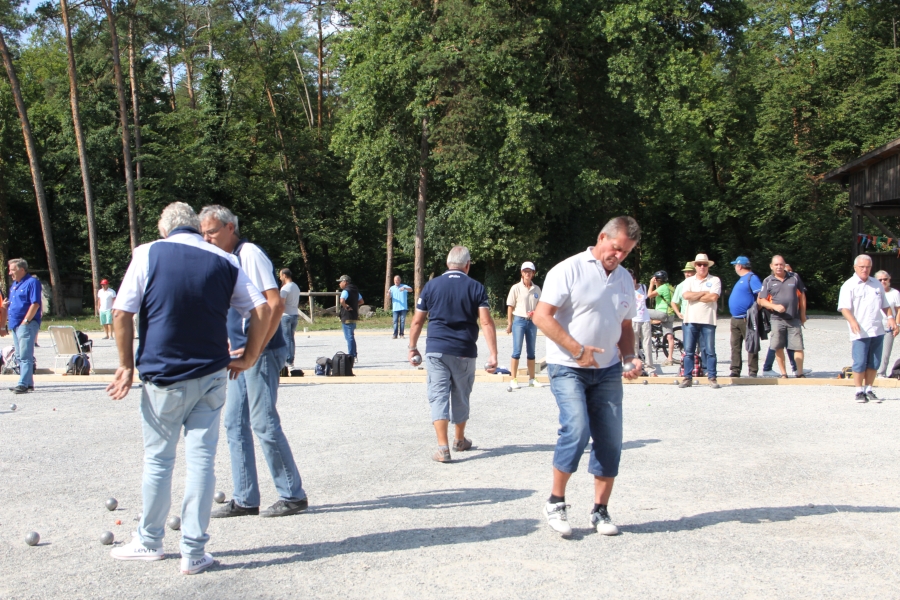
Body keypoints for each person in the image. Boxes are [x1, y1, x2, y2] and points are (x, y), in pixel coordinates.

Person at [105, 202, 269, 575]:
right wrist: (249, 357)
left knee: (160, 459)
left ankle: (149, 540)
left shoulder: (148, 253)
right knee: (201, 460)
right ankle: (194, 550)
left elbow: (121, 312)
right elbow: (260, 309)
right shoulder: (226, 260)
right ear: (197, 227)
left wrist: (125, 365)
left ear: (165, 230)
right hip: (212, 374)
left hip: (164, 373)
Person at [533, 216, 643, 538]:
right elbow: (541, 316)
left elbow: (625, 327)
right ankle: (555, 502)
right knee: (577, 428)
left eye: (626, 252)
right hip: (568, 367)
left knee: (610, 440)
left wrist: (630, 356)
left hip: (607, 369)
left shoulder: (624, 279)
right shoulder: (568, 269)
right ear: (602, 237)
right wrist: (577, 350)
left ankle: (600, 510)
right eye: (616, 248)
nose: (619, 256)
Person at [199, 205, 309, 519]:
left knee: (262, 421)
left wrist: (256, 347)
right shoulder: (225, 259)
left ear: (230, 227)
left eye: (212, 231)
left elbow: (275, 302)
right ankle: (245, 498)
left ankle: (292, 495)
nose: (206, 238)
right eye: (203, 232)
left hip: (259, 353)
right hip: (241, 356)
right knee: (234, 422)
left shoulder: (249, 254)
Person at [407, 246, 499, 463]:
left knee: (438, 395)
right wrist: (493, 354)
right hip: (464, 350)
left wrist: (412, 347)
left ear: (448, 264)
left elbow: (418, 320)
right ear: (467, 265)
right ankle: (459, 440)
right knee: (461, 394)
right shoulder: (476, 287)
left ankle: (443, 448)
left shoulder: (431, 286)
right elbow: (485, 321)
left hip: (436, 350)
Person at [838, 254, 896, 403]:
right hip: (860, 330)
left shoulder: (876, 284)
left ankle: (869, 388)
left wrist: (891, 318)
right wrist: (852, 321)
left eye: (868, 267)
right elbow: (844, 308)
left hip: (877, 328)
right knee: (860, 361)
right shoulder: (849, 285)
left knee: (874, 362)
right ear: (855, 267)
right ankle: (858, 391)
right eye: (862, 267)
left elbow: (884, 305)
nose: (865, 270)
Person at [758, 255, 807, 379]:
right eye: (776, 265)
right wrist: (774, 306)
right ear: (771, 266)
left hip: (794, 318)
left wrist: (802, 314)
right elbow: (761, 301)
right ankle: (783, 373)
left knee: (798, 346)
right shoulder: (768, 280)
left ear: (784, 265)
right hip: (776, 319)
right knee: (778, 346)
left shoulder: (794, 277)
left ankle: (799, 372)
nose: (779, 267)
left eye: (781, 264)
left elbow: (802, 296)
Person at [679, 254, 721, 389]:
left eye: (704, 264)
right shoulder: (689, 280)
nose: (702, 267)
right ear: (695, 266)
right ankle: (687, 377)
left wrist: (695, 296)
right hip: (690, 319)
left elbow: (713, 297)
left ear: (708, 266)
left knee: (709, 350)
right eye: (699, 264)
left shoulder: (715, 280)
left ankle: (712, 376)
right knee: (688, 351)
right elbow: (686, 296)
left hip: (708, 319)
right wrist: (704, 293)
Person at [5, 259, 41, 394]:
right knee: (20, 355)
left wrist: (26, 320)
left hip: (26, 324)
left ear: (22, 270)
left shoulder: (32, 282)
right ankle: (29, 382)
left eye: (12, 270)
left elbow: (35, 303)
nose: (10, 273)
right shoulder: (15, 284)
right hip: (15, 324)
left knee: (25, 355)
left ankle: (22, 384)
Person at [506, 261, 543, 390]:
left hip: (532, 321)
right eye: (525, 271)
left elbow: (541, 306)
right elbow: (510, 306)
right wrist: (510, 323)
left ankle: (532, 379)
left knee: (531, 351)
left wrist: (537, 314)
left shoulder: (537, 289)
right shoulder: (516, 288)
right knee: (516, 351)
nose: (527, 273)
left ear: (533, 273)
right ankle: (513, 379)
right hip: (519, 320)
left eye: (530, 271)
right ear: (522, 273)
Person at [727, 256, 762, 378]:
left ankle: (753, 371)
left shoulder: (751, 278)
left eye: (735, 265)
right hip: (735, 318)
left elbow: (761, 296)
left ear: (739, 266)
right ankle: (735, 370)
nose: (735, 268)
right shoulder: (742, 279)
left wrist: (754, 311)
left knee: (751, 343)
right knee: (735, 345)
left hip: (746, 318)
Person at [647, 270, 676, 364]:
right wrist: (656, 284)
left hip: (662, 313)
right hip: (670, 314)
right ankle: (670, 358)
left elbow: (650, 295)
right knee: (669, 336)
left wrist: (651, 284)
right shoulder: (670, 287)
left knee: (642, 312)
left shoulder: (662, 288)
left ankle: (649, 330)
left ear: (657, 279)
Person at [629, 269, 654, 374]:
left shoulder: (643, 287)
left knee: (647, 343)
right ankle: (635, 367)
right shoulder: (625, 290)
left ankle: (650, 367)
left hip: (645, 318)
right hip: (633, 319)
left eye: (633, 278)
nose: (632, 280)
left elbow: (649, 295)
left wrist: (652, 283)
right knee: (634, 344)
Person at [876, 270, 900, 377]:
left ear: (889, 279)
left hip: (889, 325)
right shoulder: (874, 291)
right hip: (875, 325)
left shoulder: (895, 293)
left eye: (885, 279)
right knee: (874, 350)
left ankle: (881, 372)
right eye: (880, 280)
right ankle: (871, 372)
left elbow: (898, 310)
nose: (883, 281)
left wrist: (897, 325)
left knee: (886, 352)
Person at [279, 269, 301, 368]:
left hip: (286, 315)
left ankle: (287, 360)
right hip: (294, 314)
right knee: (291, 338)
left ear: (284, 275)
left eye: (280, 276)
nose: (280, 278)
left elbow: (281, 304)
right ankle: (291, 360)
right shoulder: (296, 286)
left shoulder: (285, 288)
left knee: (286, 338)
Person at [338, 275, 363, 360]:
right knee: (351, 336)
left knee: (349, 337)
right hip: (354, 316)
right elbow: (361, 301)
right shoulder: (355, 290)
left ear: (345, 282)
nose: (339, 284)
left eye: (340, 282)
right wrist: (354, 304)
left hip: (347, 316)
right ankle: (354, 354)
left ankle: (351, 356)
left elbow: (341, 300)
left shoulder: (346, 290)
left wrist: (346, 306)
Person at [388, 275, 413, 339]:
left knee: (402, 321)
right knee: (395, 321)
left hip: (403, 307)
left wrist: (405, 288)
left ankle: (401, 334)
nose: (396, 281)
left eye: (397, 280)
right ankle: (395, 334)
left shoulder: (403, 286)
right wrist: (388, 294)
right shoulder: (392, 288)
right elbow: (389, 297)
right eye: (395, 280)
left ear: (400, 280)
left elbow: (411, 290)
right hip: (395, 308)